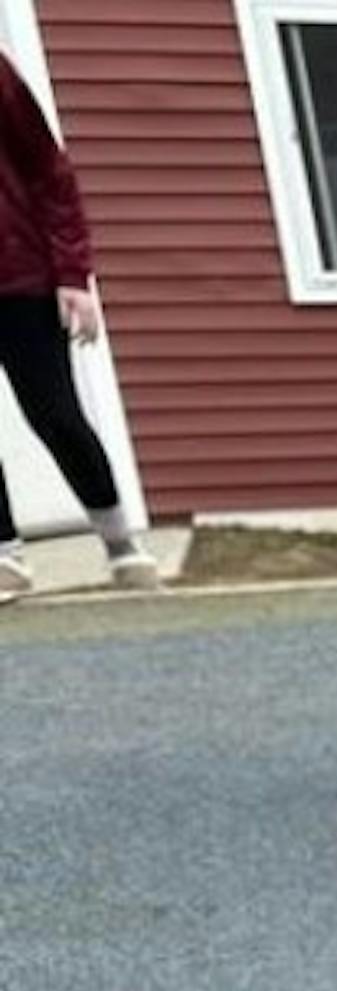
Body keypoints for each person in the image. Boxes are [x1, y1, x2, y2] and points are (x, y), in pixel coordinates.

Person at [0, 48, 159, 598]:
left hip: (20, 279)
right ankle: (6, 558)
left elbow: (48, 171)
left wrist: (72, 275)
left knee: (57, 415)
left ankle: (121, 546)